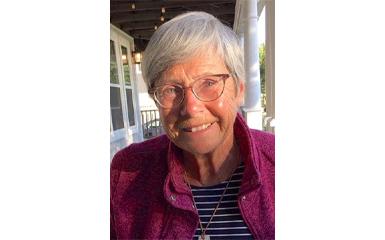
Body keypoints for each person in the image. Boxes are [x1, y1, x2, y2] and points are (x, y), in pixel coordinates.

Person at [110, 11, 275, 240]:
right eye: (170, 89)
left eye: (209, 83)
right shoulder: (126, 172)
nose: (190, 107)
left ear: (239, 90)